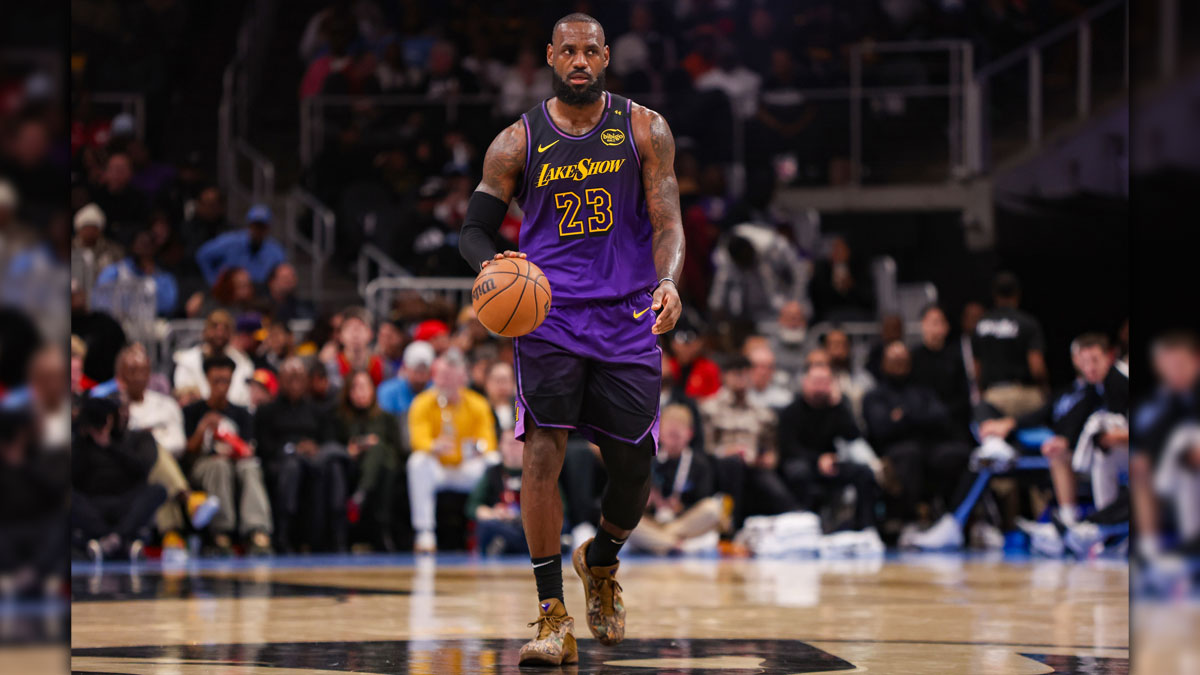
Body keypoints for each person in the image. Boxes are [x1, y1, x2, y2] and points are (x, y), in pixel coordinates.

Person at [455, 13, 685, 665]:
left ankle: (601, 558)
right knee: (541, 456)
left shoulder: (645, 128)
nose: (579, 60)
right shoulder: (515, 142)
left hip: (627, 316)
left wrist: (668, 281)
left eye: (590, 50)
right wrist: (496, 266)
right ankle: (552, 615)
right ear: (550, 57)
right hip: (548, 317)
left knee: (634, 470)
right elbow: (473, 229)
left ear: (606, 55)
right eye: (568, 51)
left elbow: (668, 221)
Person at [116, 345, 218, 551]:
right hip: (129, 471)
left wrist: (152, 444)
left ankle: (172, 536)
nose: (138, 376)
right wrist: (151, 441)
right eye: (132, 370)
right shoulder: (115, 406)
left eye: (142, 370)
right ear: (120, 374)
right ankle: (190, 499)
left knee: (157, 470)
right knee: (149, 451)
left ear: (150, 373)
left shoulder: (166, 404)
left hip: (167, 464)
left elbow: (179, 442)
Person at [862, 341, 971, 524]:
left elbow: (942, 419)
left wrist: (903, 416)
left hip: (929, 447)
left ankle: (958, 520)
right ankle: (907, 520)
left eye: (903, 359)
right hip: (893, 451)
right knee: (910, 454)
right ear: (883, 363)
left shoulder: (923, 391)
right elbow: (881, 429)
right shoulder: (874, 395)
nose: (899, 364)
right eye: (894, 359)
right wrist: (918, 417)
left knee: (958, 453)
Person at [254, 357, 349, 553]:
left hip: (314, 460)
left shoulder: (317, 410)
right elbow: (264, 446)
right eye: (290, 377)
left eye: (299, 377)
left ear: (307, 381)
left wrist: (314, 447)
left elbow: (328, 439)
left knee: (333, 467)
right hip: (281, 461)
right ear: (281, 379)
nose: (295, 382)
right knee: (293, 467)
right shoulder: (267, 411)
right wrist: (292, 448)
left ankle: (336, 537)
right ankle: (283, 534)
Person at [406, 353, 497, 553]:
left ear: (463, 377)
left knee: (493, 461)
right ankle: (425, 532)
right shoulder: (422, 402)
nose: (446, 381)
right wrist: (433, 446)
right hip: (437, 468)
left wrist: (474, 449)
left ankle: (494, 528)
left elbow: (488, 443)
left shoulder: (478, 404)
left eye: (452, 376)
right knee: (417, 462)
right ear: (435, 377)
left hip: (466, 467)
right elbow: (418, 439)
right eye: (442, 376)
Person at [182, 355, 273, 556]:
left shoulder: (242, 413)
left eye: (226, 380)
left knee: (250, 467)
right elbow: (187, 450)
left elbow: (250, 448)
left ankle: (257, 531)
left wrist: (234, 446)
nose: (222, 386)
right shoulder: (192, 411)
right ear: (207, 379)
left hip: (236, 461)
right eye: (217, 381)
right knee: (219, 466)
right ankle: (220, 533)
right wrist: (203, 427)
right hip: (203, 464)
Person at [777, 362, 880, 533]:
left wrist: (839, 405)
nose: (820, 387)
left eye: (825, 382)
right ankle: (805, 529)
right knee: (798, 472)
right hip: (803, 463)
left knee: (864, 473)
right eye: (816, 381)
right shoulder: (791, 411)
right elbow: (788, 448)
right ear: (805, 382)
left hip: (831, 463)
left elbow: (853, 435)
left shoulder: (836, 409)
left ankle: (865, 529)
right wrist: (817, 460)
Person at [700, 356, 798, 528]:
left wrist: (769, 457)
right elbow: (705, 447)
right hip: (720, 465)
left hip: (753, 466)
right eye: (735, 373)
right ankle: (731, 529)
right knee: (733, 464)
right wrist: (727, 451)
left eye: (745, 373)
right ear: (725, 376)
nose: (740, 378)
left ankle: (797, 525)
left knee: (778, 494)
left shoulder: (763, 413)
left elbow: (771, 447)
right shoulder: (710, 408)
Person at [71, 397, 166, 561]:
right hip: (93, 505)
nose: (120, 415)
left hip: (127, 504)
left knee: (157, 490)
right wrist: (83, 435)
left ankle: (111, 540)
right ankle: (119, 541)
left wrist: (110, 445)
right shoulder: (81, 443)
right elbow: (73, 478)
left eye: (123, 410)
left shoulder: (139, 438)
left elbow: (142, 470)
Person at [627, 404, 727, 555]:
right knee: (623, 520)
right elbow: (632, 500)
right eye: (670, 434)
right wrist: (646, 503)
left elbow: (703, 499)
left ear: (690, 434)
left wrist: (680, 507)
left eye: (677, 435)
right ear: (659, 433)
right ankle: (676, 544)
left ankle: (659, 543)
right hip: (654, 522)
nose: (673, 440)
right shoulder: (649, 460)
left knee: (712, 508)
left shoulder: (700, 463)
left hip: (683, 522)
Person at [335, 369, 403, 552]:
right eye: (355, 388)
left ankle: (360, 496)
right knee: (380, 453)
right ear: (348, 393)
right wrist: (351, 450)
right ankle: (380, 525)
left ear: (373, 390)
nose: (361, 392)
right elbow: (334, 445)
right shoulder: (341, 418)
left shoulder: (386, 418)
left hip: (384, 470)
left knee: (382, 452)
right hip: (352, 466)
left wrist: (374, 446)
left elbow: (399, 449)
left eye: (365, 387)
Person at [973, 272, 1049, 417]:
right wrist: (1044, 390)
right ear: (1017, 294)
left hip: (992, 397)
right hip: (1025, 396)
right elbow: (1037, 367)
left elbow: (976, 368)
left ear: (994, 294)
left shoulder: (981, 325)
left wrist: (983, 395)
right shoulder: (1028, 323)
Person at [468, 430, 549, 555]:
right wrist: (493, 513)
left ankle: (507, 545)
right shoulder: (492, 473)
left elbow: (559, 506)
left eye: (518, 443)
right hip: (503, 524)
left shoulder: (539, 473)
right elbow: (472, 507)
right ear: (501, 445)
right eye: (510, 443)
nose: (514, 447)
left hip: (531, 526)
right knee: (486, 526)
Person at [910, 304, 972, 438]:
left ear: (946, 327)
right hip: (920, 423)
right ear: (922, 325)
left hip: (950, 421)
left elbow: (964, 395)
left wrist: (944, 412)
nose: (935, 327)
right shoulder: (913, 357)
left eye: (939, 322)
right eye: (931, 322)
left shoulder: (955, 358)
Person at [173, 310, 256, 408]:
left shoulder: (243, 364)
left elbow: (245, 398)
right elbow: (184, 396)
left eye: (225, 328)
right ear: (205, 331)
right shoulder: (187, 361)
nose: (219, 333)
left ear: (231, 334)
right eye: (214, 327)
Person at [195, 203, 287, 286]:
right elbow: (202, 255)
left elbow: (282, 272)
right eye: (255, 226)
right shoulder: (231, 241)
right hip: (229, 292)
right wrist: (213, 282)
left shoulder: (275, 250)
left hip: (259, 294)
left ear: (268, 228)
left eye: (262, 226)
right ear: (249, 225)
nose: (258, 230)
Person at [95, 229, 179, 316]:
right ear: (132, 246)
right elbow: (100, 302)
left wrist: (150, 278)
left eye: (148, 245)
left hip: (152, 323)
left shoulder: (163, 277)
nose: (144, 249)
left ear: (154, 249)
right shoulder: (114, 272)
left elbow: (168, 306)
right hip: (118, 323)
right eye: (141, 244)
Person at [69, 203, 123, 302]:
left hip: (105, 297)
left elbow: (122, 274)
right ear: (78, 229)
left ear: (100, 230)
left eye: (94, 228)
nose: (90, 231)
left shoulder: (113, 250)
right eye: (86, 227)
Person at [378, 340, 435, 420]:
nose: (420, 376)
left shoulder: (435, 392)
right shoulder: (388, 391)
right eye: (416, 370)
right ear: (406, 368)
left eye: (424, 370)